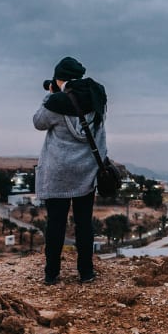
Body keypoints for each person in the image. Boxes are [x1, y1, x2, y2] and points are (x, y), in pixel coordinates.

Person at [33, 56, 108, 285]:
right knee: (84, 224)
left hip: (58, 174)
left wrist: (51, 93)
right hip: (86, 172)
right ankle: (86, 273)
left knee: (55, 224)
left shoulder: (55, 103)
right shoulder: (97, 97)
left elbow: (38, 122)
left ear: (59, 78)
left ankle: (51, 274)